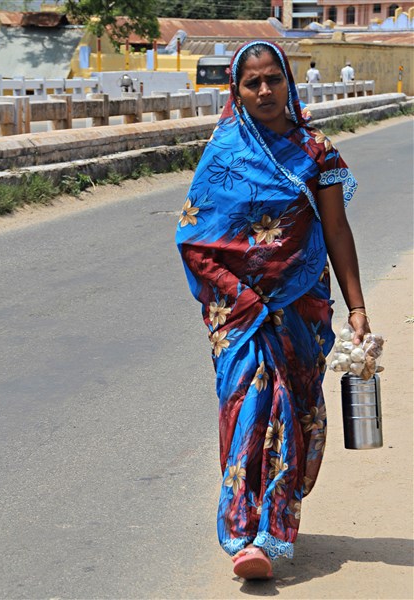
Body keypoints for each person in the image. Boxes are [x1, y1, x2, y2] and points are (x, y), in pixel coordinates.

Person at [176, 41, 370, 580]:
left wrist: (357, 306)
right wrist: (242, 297)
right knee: (249, 409)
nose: (264, 91)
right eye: (252, 82)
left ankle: (273, 522)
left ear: (289, 82)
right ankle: (249, 536)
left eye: (273, 79)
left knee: (295, 411)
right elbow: (193, 239)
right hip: (239, 310)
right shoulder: (223, 152)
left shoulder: (317, 152)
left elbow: (336, 230)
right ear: (235, 91)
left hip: (299, 307)